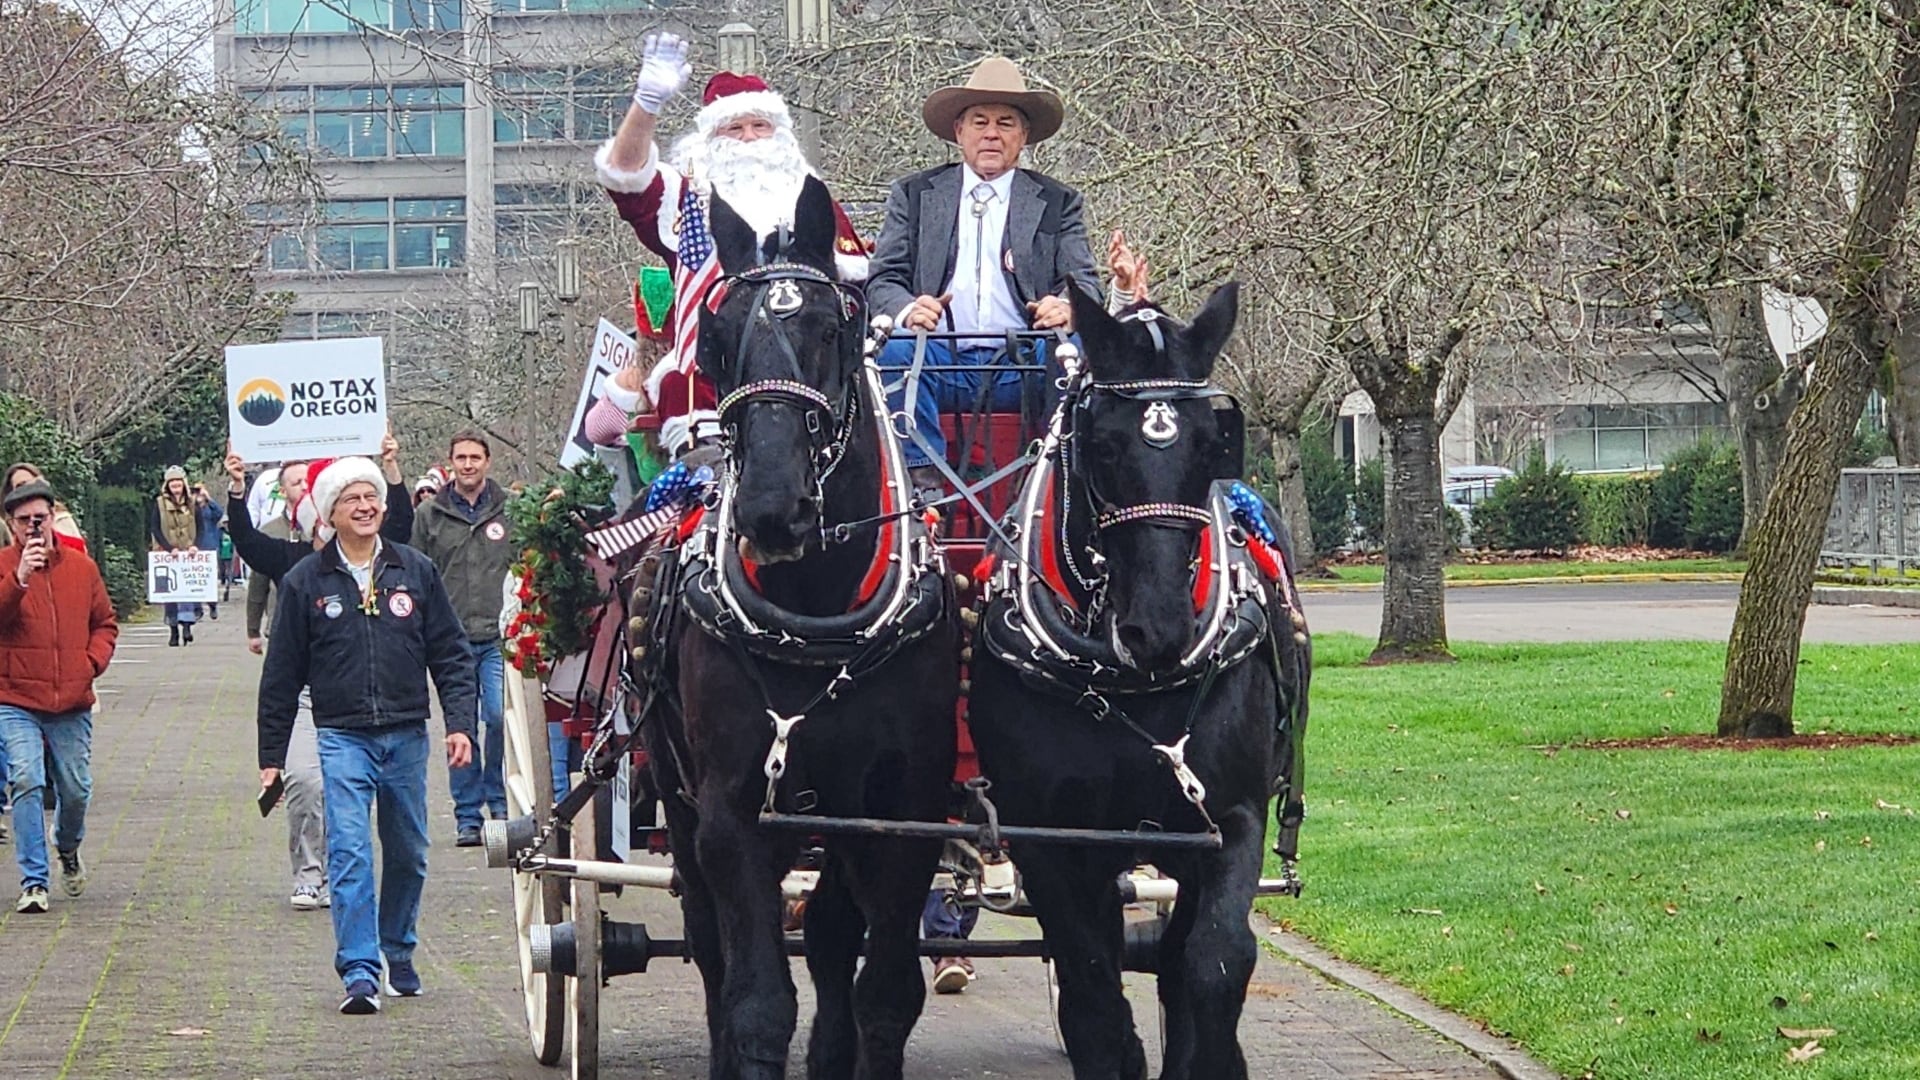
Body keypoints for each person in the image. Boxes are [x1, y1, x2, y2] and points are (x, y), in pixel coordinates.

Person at [257, 457, 477, 1015]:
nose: (364, 507)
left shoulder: (415, 570)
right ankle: (359, 970)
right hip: (341, 736)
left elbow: (451, 653)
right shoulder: (305, 581)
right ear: (330, 513)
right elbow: (280, 675)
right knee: (350, 852)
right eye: (351, 499)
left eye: (370, 497)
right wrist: (271, 756)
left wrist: (459, 723)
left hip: (406, 734)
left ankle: (397, 949)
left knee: (409, 852)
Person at [586, 31, 871, 457]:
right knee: (682, 386)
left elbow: (856, 283)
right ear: (710, 140)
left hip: (808, 365)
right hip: (716, 365)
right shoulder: (684, 197)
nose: (750, 138)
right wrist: (647, 105)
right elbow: (624, 173)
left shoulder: (812, 197)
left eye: (761, 126)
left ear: (779, 134)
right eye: (734, 128)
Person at [867, 57, 1105, 499]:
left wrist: (1066, 306)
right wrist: (907, 310)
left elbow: (1086, 284)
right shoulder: (914, 195)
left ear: (1024, 136)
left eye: (1005, 123)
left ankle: (1055, 486)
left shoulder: (1058, 202)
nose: (991, 134)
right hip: (936, 358)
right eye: (980, 122)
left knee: (1073, 352)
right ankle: (921, 489)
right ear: (959, 132)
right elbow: (882, 280)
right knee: (894, 350)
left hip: (1024, 362)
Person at [229, 440, 412, 913]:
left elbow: (403, 525)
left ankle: (342, 873)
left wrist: (391, 467)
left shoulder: (388, 562)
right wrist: (237, 488)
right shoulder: (294, 566)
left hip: (361, 695)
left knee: (348, 796)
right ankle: (309, 872)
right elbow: (247, 543)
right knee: (307, 784)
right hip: (307, 695)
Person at [0, 480, 117, 914]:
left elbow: (104, 622)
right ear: (11, 524)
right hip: (15, 696)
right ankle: (34, 880)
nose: (34, 527)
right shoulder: (4, 566)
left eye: (40, 518)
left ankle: (67, 846)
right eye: (24, 520)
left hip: (70, 697)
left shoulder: (82, 569)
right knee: (26, 779)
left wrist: (90, 663)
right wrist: (18, 579)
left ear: (54, 518)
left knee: (76, 789)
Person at [410, 433, 516, 847]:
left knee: (499, 717)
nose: (468, 464)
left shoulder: (510, 509)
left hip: (498, 635)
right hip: (450, 640)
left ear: (488, 461)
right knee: (461, 727)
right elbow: (416, 573)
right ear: (450, 462)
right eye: (461, 458)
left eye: (475, 457)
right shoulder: (429, 515)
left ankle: (500, 801)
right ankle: (467, 816)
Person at [150, 465, 202, 646]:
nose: (176, 488)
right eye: (172, 485)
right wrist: (167, 548)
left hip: (188, 552)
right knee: (170, 594)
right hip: (168, 554)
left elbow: (201, 526)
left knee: (188, 591)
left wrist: (195, 546)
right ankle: (173, 630)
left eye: (178, 484)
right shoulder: (159, 504)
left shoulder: (193, 503)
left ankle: (187, 626)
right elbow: (155, 528)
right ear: (167, 486)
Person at [1, 463, 87, 552]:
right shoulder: (4, 529)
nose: (27, 488)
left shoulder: (62, 519)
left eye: (31, 483)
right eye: (20, 485)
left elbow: (80, 551)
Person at [193, 482, 225, 620]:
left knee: (209, 577)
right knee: (193, 577)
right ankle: (197, 608)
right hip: (194, 545)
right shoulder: (192, 507)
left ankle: (212, 605)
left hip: (209, 545)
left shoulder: (209, 508)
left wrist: (208, 499)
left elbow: (219, 514)